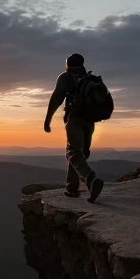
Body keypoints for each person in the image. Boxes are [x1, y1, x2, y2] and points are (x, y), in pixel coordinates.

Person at [44, 53, 104, 203]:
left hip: (75, 118)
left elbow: (57, 98)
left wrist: (47, 120)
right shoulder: (91, 79)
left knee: (73, 151)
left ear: (68, 64)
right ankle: (72, 189)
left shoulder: (65, 77)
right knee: (81, 152)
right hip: (90, 120)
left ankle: (90, 178)